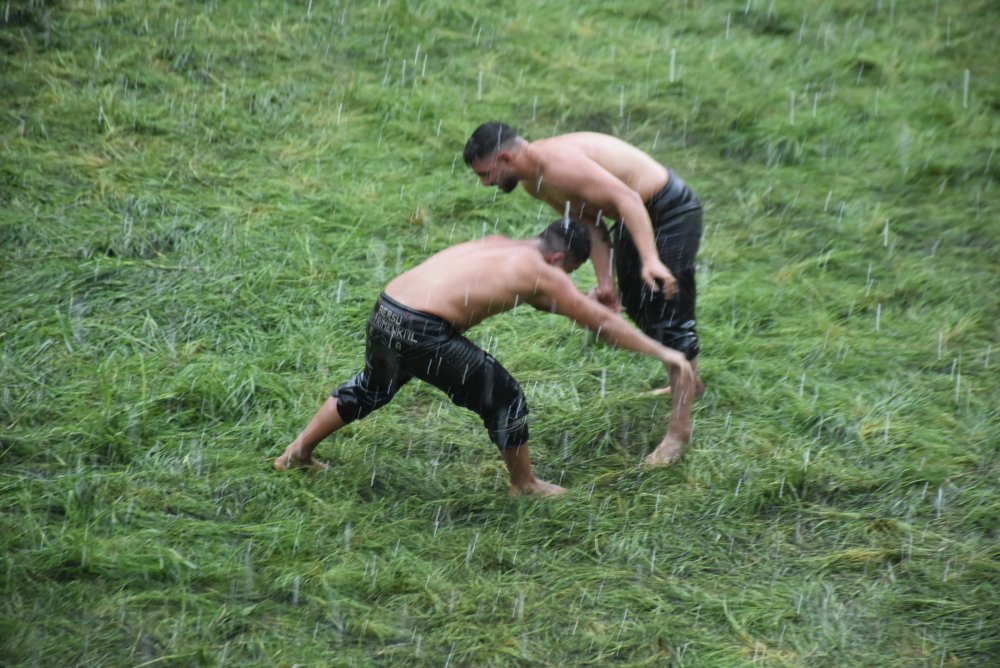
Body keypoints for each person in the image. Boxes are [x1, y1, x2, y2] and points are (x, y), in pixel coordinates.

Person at [274, 219, 695, 496]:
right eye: (568, 272)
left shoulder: (499, 245)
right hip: (424, 329)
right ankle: (524, 484)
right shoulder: (543, 272)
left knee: (372, 386)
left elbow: (538, 298)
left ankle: (297, 453)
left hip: (387, 310)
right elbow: (599, 323)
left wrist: (573, 301)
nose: (563, 281)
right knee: (505, 397)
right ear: (557, 259)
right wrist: (665, 353)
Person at [464, 122, 704, 466]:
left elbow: (627, 198)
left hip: (669, 211)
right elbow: (588, 220)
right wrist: (606, 282)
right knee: (637, 304)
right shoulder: (534, 182)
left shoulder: (557, 164)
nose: (486, 183)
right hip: (631, 216)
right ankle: (688, 383)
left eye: (486, 174)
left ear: (505, 157)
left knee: (668, 311)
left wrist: (650, 259)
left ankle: (678, 434)